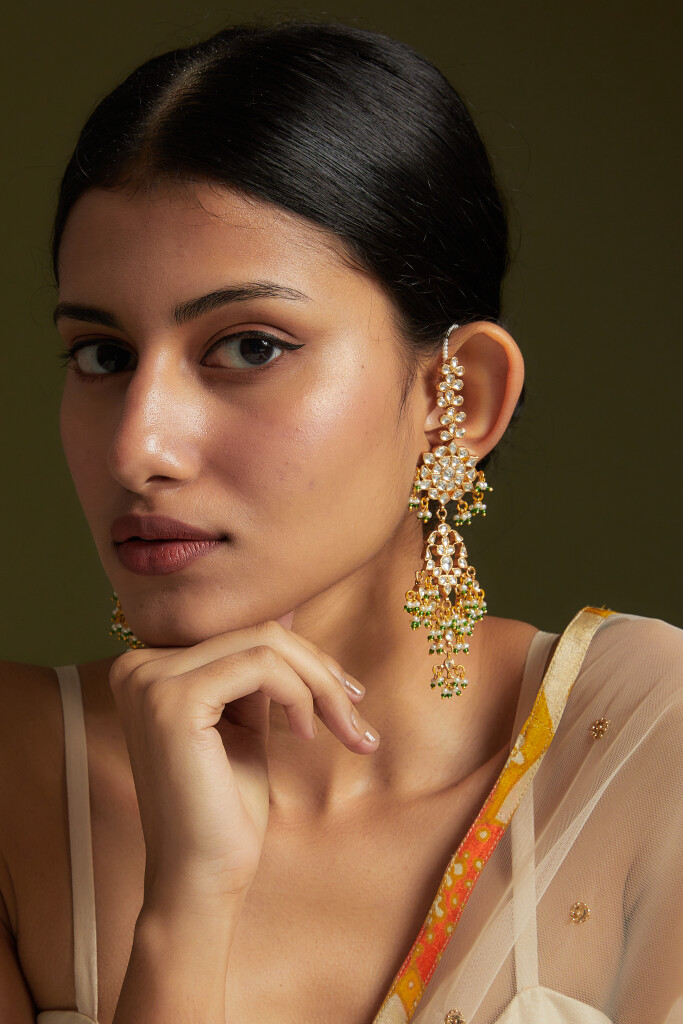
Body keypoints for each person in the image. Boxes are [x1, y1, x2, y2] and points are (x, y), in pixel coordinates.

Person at [0, 19, 681, 1024]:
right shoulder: (14, 778)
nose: (137, 449)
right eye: (102, 355)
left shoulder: (645, 741)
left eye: (249, 346)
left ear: (455, 396)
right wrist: (187, 906)